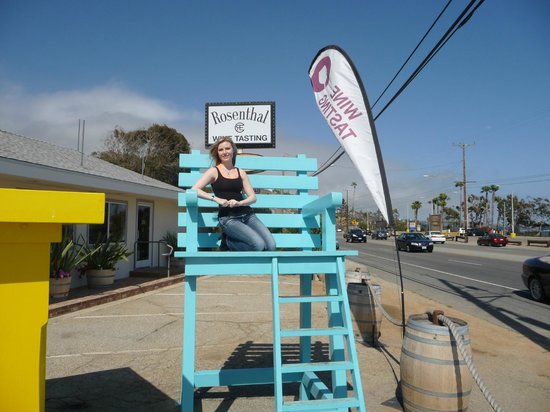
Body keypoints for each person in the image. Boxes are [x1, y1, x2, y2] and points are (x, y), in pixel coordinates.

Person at [191, 137, 276, 251]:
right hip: (228, 218)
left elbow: (252, 198)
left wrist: (240, 203)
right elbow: (195, 189)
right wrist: (216, 199)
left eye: (227, 148)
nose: (224, 152)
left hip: (247, 215)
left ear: (233, 151)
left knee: (271, 246)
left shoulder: (240, 172)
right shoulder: (214, 171)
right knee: (258, 245)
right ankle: (228, 242)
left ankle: (231, 243)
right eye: (221, 150)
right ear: (218, 152)